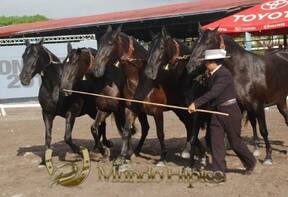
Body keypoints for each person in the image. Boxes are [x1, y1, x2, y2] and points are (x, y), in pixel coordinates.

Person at [188, 49, 256, 177]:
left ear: (213, 62)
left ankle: (250, 162)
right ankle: (218, 171)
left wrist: (196, 103)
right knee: (216, 143)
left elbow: (214, 93)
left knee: (235, 143)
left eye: (206, 62)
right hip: (216, 113)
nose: (205, 64)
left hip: (230, 112)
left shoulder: (224, 74)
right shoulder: (212, 74)